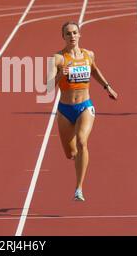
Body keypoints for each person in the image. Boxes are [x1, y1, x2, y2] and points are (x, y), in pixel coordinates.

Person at [49, 22, 118, 201]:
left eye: (74, 33)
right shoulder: (57, 58)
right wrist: (59, 75)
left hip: (85, 106)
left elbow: (94, 70)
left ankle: (78, 188)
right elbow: (47, 87)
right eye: (68, 33)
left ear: (79, 35)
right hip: (64, 110)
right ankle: (79, 161)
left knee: (82, 142)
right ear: (63, 37)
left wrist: (107, 87)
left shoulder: (89, 54)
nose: (72, 36)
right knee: (70, 154)